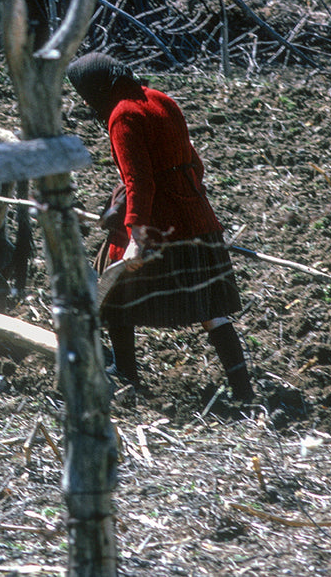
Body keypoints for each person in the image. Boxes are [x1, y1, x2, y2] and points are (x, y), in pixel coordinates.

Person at [66, 52, 253, 402]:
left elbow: (139, 180)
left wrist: (136, 235)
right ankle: (244, 391)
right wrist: (191, 199)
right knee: (212, 308)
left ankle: (126, 374)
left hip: (158, 223)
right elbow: (194, 162)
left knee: (116, 287)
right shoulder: (161, 99)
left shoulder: (122, 115)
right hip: (196, 217)